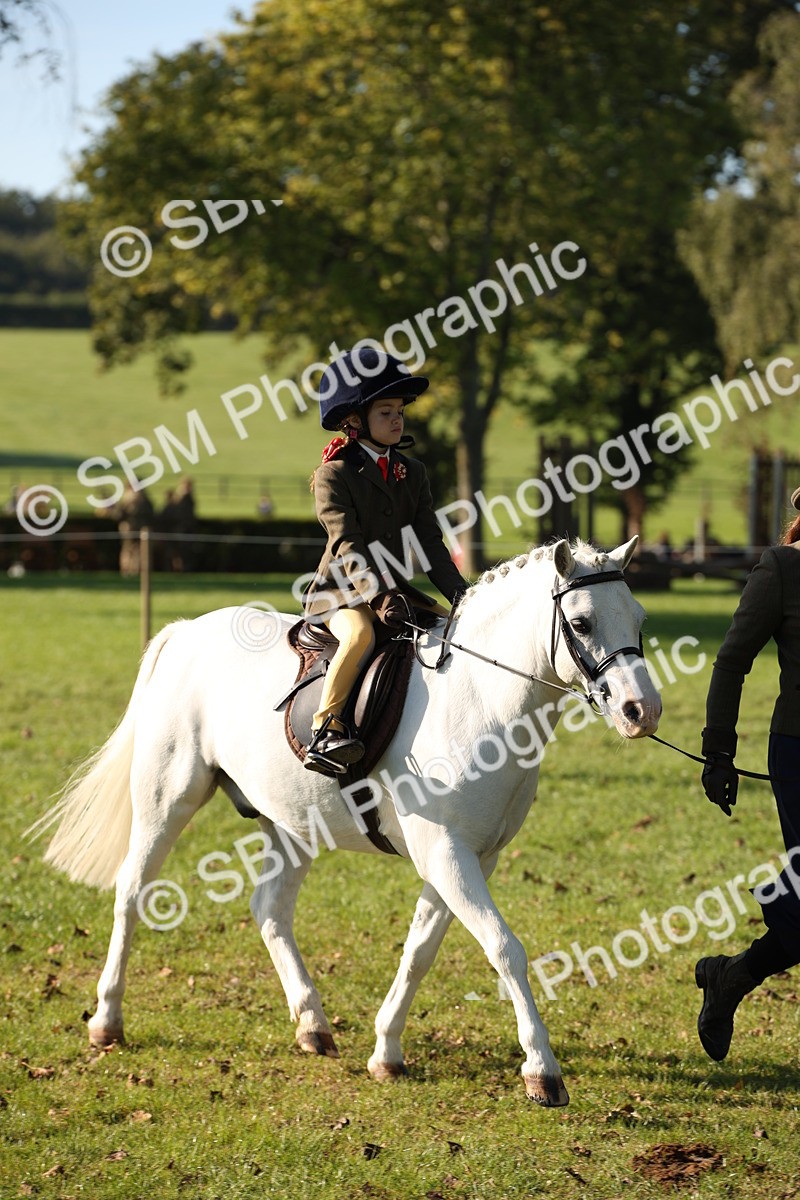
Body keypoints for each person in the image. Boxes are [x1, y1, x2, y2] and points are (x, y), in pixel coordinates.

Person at [302, 346, 469, 775]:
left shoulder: (412, 473)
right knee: (359, 637)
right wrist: (377, 598)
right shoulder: (333, 474)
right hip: (341, 595)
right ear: (354, 422)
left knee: (451, 630)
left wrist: (463, 598)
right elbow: (347, 545)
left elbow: (432, 544)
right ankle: (326, 729)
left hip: (396, 593)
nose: (397, 420)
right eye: (386, 412)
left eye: (400, 411)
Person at [696, 484, 800, 1060]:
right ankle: (733, 976)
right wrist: (718, 750)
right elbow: (732, 661)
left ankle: (730, 977)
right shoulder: (782, 568)